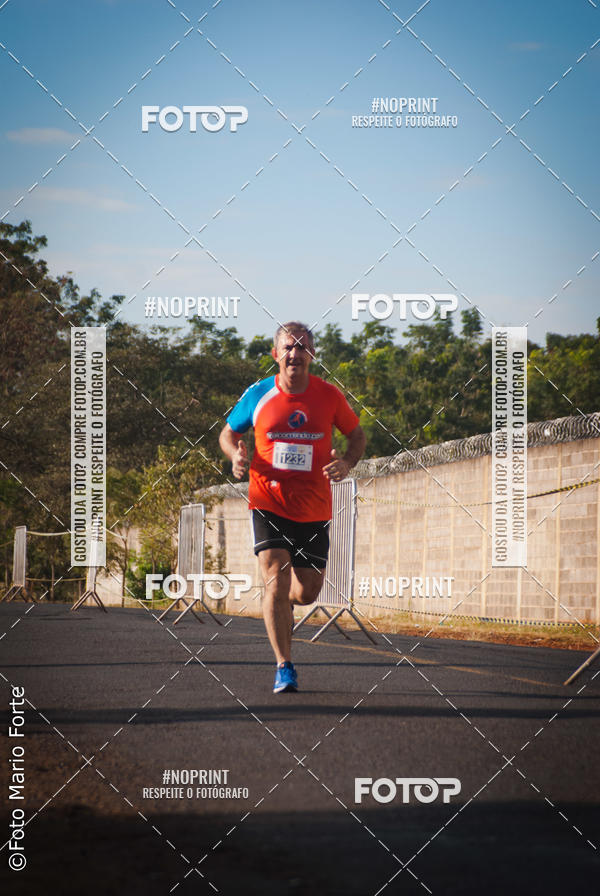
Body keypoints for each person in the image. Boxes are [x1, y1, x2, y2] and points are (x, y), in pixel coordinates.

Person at [219, 322, 366, 693]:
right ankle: (284, 665)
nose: (294, 354)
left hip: (314, 506)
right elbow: (228, 432)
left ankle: (280, 603)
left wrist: (347, 462)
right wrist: (235, 455)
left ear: (311, 355)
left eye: (302, 348)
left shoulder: (329, 396)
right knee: (275, 575)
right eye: (288, 347)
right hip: (267, 499)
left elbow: (357, 434)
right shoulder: (259, 394)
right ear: (276, 354)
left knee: (307, 592)